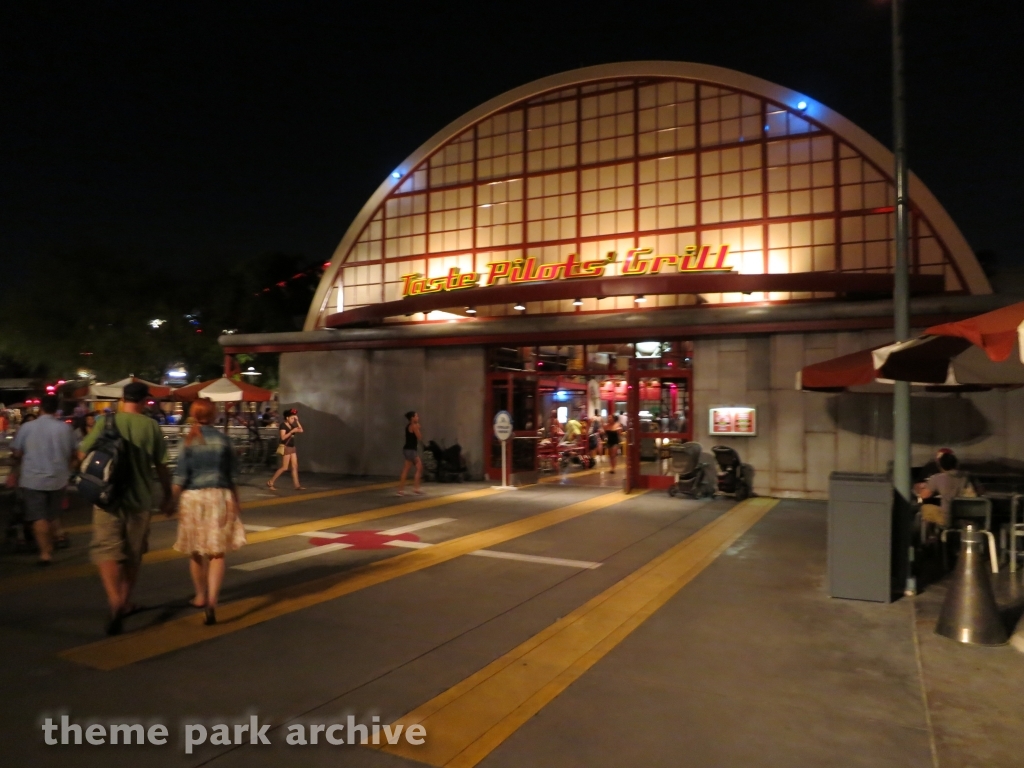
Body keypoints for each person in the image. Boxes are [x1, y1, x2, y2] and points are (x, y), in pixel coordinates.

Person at [78, 381, 173, 635]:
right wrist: (167, 496)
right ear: (144, 401)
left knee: (106, 550)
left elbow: (82, 454)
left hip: (107, 498)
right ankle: (124, 600)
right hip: (139, 501)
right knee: (133, 554)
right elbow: (162, 466)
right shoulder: (151, 426)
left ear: (122, 399)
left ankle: (114, 601)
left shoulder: (105, 422)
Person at [171, 398, 246, 626]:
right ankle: (212, 601)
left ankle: (200, 596)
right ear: (214, 415)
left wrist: (169, 501)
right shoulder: (224, 441)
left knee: (195, 550)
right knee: (217, 553)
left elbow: (180, 477)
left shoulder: (187, 441)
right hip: (219, 497)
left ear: (193, 415)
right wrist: (236, 501)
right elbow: (233, 476)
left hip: (192, 499)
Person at [9, 395, 77, 565]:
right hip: (58, 479)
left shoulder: (27, 427)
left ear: (41, 408)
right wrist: (68, 469)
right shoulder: (65, 428)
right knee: (52, 516)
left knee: (38, 517)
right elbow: (74, 453)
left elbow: (17, 452)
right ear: (56, 409)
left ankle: (45, 553)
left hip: (33, 479)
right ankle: (53, 542)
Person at [915, 451, 974, 531]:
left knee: (923, 509)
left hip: (947, 518)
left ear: (940, 466)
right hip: (968, 516)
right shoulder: (968, 476)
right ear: (956, 464)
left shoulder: (937, 478)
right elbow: (981, 491)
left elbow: (924, 495)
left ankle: (924, 536)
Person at [267, 408, 304, 490]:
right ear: (287, 418)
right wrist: (291, 432)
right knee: (284, 467)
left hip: (292, 447)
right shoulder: (283, 425)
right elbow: (283, 437)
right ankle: (271, 481)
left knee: (294, 466)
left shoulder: (292, 425)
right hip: (286, 447)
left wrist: (297, 421)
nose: (293, 420)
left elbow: (301, 430)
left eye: (294, 418)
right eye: (292, 418)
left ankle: (297, 485)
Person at [397, 411, 424, 496]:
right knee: (419, 467)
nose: (418, 417)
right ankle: (415, 488)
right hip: (411, 450)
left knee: (407, 469)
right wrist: (418, 428)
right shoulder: (414, 426)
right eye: (416, 416)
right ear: (412, 418)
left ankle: (402, 490)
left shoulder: (408, 426)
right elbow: (419, 437)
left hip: (408, 450)